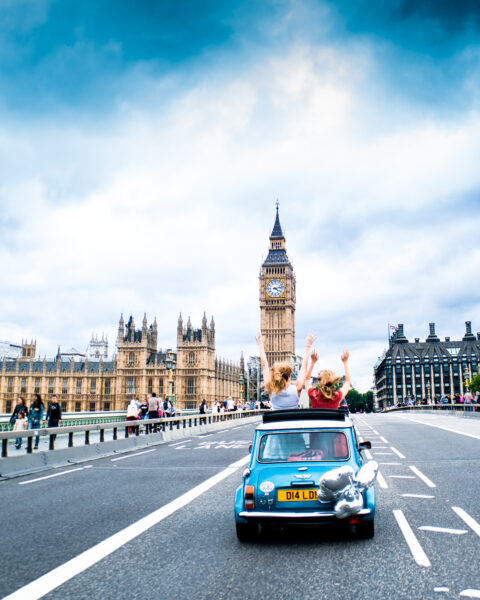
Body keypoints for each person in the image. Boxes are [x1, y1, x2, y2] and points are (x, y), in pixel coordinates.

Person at [256, 332, 315, 410]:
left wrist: (260, 344)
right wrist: (308, 345)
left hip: (276, 421)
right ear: (289, 375)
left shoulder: (271, 389)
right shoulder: (297, 388)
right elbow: (304, 367)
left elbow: (264, 366)